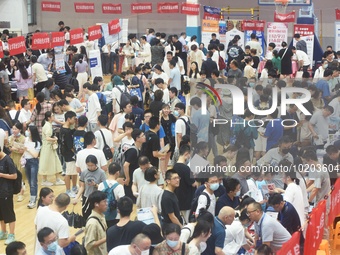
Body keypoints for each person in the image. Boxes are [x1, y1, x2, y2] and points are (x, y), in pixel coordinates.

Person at [73, 155, 107, 221]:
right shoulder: (84, 172)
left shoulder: (101, 173)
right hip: (87, 197)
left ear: (96, 164)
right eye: (88, 165)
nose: (90, 167)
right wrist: (76, 198)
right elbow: (82, 186)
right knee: (86, 216)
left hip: (97, 199)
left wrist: (96, 185)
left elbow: (105, 187)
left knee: (98, 217)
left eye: (92, 165)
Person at [38, 111, 64, 186]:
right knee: (45, 163)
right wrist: (55, 139)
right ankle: (44, 180)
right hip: (47, 147)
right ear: (49, 118)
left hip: (50, 147)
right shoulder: (47, 126)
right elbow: (47, 138)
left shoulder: (48, 124)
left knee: (55, 162)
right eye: (52, 115)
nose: (54, 117)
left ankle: (57, 179)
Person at [97, 162, 125, 227]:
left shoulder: (101, 185)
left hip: (103, 215)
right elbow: (122, 202)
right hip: (115, 216)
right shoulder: (119, 187)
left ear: (108, 171)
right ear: (118, 172)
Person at [174, 145, 196, 223]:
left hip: (178, 197)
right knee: (187, 221)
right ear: (186, 154)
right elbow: (194, 184)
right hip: (187, 199)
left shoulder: (174, 166)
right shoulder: (186, 168)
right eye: (190, 154)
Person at [0, 146, 18, 245]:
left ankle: (11, 234)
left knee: (9, 214)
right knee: (1, 214)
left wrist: (2, 175)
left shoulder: (7, 160)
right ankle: (3, 232)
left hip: (6, 191)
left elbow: (14, 176)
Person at [60, 111, 78, 197]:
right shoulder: (66, 132)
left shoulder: (63, 128)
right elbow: (70, 145)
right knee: (68, 172)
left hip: (65, 152)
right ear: (68, 119)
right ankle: (68, 190)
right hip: (69, 153)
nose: (75, 120)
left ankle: (74, 187)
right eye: (74, 118)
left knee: (74, 171)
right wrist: (76, 152)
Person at [23, 125, 42, 209]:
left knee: (33, 182)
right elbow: (24, 150)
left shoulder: (37, 143)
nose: (27, 131)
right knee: (30, 181)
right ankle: (33, 196)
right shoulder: (26, 139)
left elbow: (35, 155)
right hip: (26, 161)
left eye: (28, 130)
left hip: (33, 162)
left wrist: (28, 149)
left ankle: (33, 200)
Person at [84, 191, 108, 255]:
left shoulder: (102, 216)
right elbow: (89, 244)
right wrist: (107, 238)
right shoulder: (92, 223)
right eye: (104, 201)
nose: (106, 204)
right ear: (96, 204)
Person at [8, 122, 25, 202]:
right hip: (12, 158)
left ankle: (21, 194)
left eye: (15, 129)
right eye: (13, 128)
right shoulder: (10, 138)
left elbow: (22, 151)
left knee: (21, 176)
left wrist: (15, 149)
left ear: (20, 130)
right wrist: (12, 148)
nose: (13, 130)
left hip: (20, 159)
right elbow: (9, 147)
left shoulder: (23, 138)